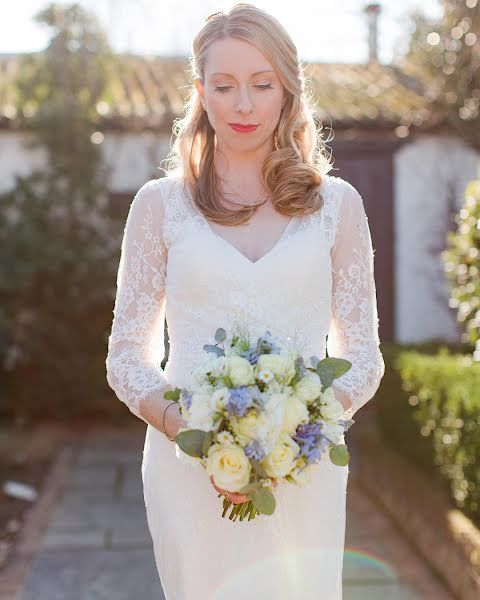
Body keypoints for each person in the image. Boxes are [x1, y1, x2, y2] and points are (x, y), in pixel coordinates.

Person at [105, 3, 385, 599]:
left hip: (304, 473)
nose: (244, 104)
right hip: (188, 470)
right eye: (225, 86)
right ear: (201, 93)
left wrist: (294, 436)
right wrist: (198, 435)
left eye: (262, 85)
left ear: (287, 92)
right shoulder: (158, 207)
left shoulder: (339, 207)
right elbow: (126, 357)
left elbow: (363, 357)